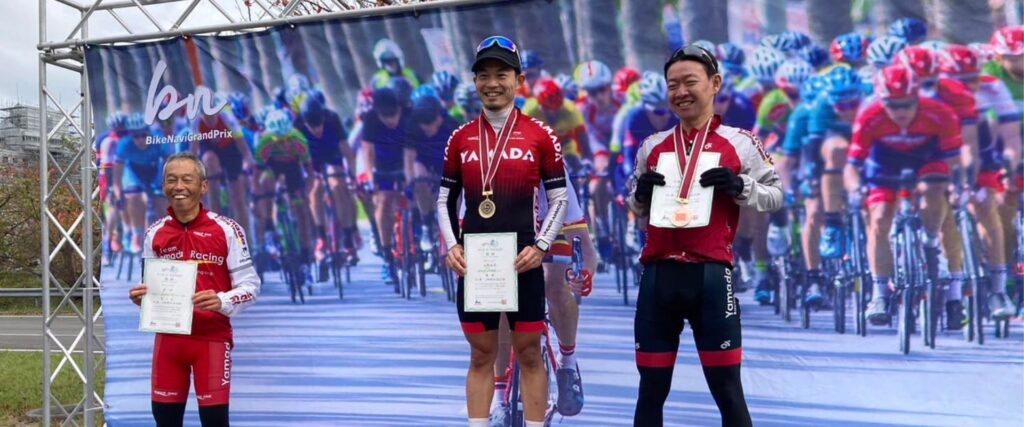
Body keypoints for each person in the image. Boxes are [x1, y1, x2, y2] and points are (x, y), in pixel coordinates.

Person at [628, 44, 782, 427]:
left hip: (711, 279)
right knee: (650, 393)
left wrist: (740, 185)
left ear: (715, 84)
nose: (680, 92)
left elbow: (775, 195)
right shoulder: (652, 146)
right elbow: (636, 206)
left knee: (728, 393)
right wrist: (640, 196)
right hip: (658, 278)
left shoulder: (741, 141)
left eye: (690, 82)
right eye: (672, 85)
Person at [437, 35, 568, 427]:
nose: (492, 83)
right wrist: (452, 246)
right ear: (474, 81)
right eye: (484, 75)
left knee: (528, 354)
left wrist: (541, 246)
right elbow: (444, 200)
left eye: (502, 74)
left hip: (523, 259)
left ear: (519, 80)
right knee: (481, 355)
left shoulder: (541, 135)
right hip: (476, 262)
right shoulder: (460, 138)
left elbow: (559, 198)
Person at [128, 152, 260, 427]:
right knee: (165, 421)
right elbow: (150, 287)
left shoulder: (227, 229)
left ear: (203, 186)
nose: (179, 186)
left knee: (214, 423)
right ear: (163, 185)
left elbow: (251, 286)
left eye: (187, 179)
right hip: (169, 342)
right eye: (171, 179)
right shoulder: (154, 232)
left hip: (211, 340)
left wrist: (222, 300)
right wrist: (141, 298)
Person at [845, 64, 963, 325]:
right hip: (884, 162)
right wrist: (855, 189)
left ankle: (931, 240)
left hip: (928, 158)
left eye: (908, 105)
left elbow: (955, 161)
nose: (901, 112)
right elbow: (852, 166)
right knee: (879, 218)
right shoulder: (870, 115)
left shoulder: (939, 113)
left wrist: (958, 187)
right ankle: (879, 294)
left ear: (917, 97)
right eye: (893, 105)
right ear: (881, 101)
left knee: (936, 190)